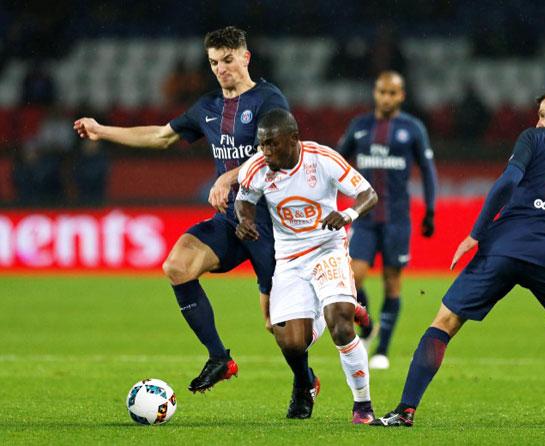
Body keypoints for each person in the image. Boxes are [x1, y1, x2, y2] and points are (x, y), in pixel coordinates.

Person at [72, 27, 318, 396]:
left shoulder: (269, 99)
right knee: (177, 266)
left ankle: (304, 381)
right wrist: (101, 131)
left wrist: (230, 177)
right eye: (214, 62)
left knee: (284, 332)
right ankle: (220, 358)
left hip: (272, 225)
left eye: (228, 60)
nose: (221, 69)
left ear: (245, 57)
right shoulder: (208, 107)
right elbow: (162, 136)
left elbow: (280, 152)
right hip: (232, 221)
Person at [371, 85, 545, 428]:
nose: (538, 121)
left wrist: (475, 234)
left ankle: (404, 411)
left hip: (503, 246)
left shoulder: (534, 139)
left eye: (543, 114)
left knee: (444, 321)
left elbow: (506, 184)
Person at [235, 109, 379, 423]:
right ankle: (340, 305)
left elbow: (368, 194)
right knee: (289, 340)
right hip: (288, 258)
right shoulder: (256, 168)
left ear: (294, 139)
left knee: (341, 326)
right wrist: (245, 219)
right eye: (262, 144)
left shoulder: (323, 159)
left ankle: (363, 407)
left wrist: (348, 215)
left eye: (272, 144)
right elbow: (244, 198)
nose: (266, 151)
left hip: (328, 249)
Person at [337, 71, 438, 369]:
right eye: (382, 92)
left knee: (392, 283)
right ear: (375, 93)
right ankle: (368, 327)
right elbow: (337, 164)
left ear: (402, 96)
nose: (386, 98)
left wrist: (430, 210)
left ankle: (382, 349)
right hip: (365, 217)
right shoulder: (359, 127)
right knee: (353, 278)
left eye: (392, 93)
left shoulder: (413, 128)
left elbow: (428, 170)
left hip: (397, 219)